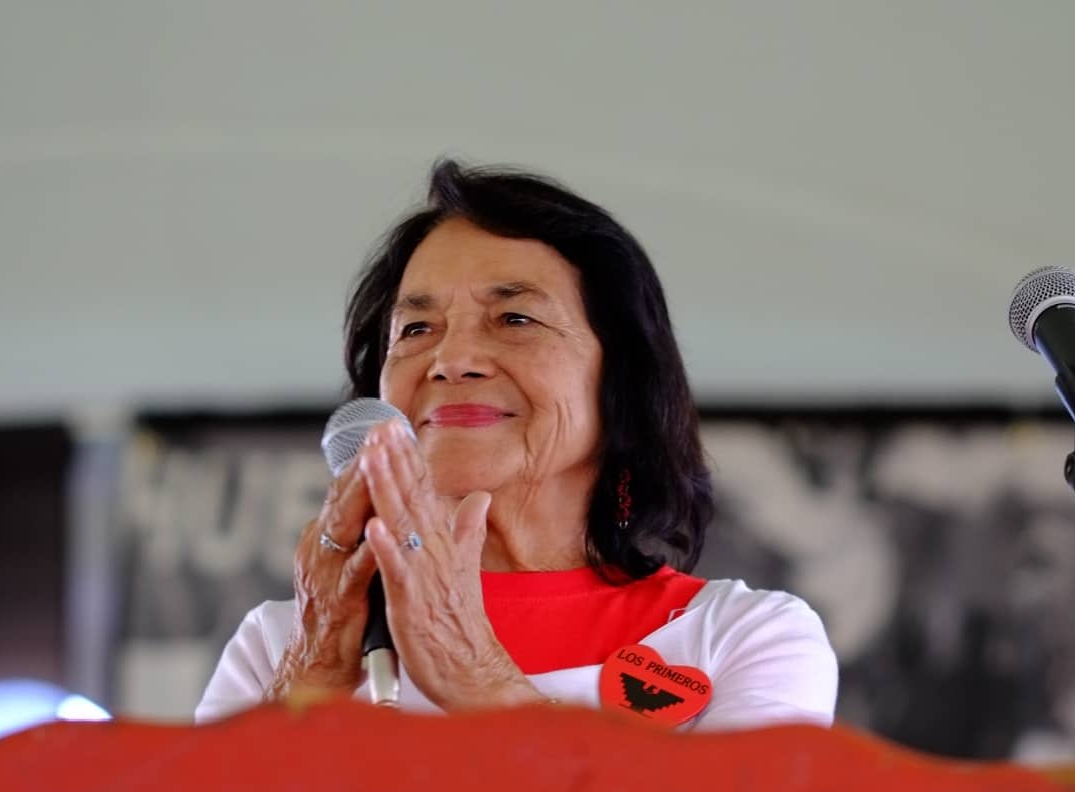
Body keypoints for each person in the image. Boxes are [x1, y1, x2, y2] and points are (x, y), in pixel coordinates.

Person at [196, 160, 836, 730]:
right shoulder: (283, 643)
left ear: (621, 382)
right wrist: (309, 678)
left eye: (515, 319)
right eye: (416, 328)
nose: (452, 360)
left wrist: (478, 679)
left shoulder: (740, 637)